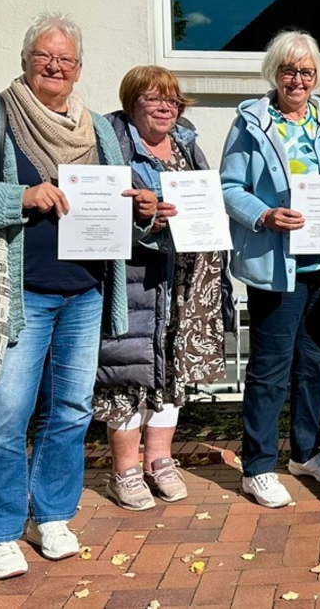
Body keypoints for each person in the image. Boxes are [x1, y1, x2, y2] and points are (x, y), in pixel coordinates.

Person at [0, 13, 157, 579]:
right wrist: (20, 196)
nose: (56, 66)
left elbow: (111, 205)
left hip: (85, 293)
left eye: (67, 59)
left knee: (73, 409)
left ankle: (52, 514)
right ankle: (0, 529)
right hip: (18, 293)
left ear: (79, 68)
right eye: (45, 56)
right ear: (26, 60)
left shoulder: (97, 128)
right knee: (6, 411)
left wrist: (144, 214)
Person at [221, 30, 320, 508]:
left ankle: (304, 452)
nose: (297, 79)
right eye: (288, 70)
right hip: (278, 263)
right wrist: (264, 214)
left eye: (306, 71)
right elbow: (229, 186)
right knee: (271, 368)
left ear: (316, 76)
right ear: (274, 73)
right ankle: (257, 466)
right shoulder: (252, 123)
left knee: (317, 363)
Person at [93, 66, 226, 510]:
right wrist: (146, 219)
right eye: (153, 97)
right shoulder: (112, 147)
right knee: (128, 371)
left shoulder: (187, 144)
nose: (166, 106)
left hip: (188, 278)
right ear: (132, 102)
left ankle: (160, 461)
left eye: (171, 98)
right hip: (139, 278)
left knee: (171, 371)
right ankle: (125, 471)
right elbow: (103, 214)